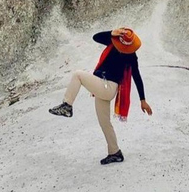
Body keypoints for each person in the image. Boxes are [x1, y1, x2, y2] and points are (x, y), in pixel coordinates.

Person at [49, 27, 153, 165]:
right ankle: (115, 153)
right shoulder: (112, 43)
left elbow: (137, 77)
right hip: (102, 85)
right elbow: (95, 37)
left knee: (78, 75)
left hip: (107, 87)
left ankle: (67, 105)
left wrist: (143, 100)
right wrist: (111, 33)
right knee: (104, 123)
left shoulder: (131, 56)